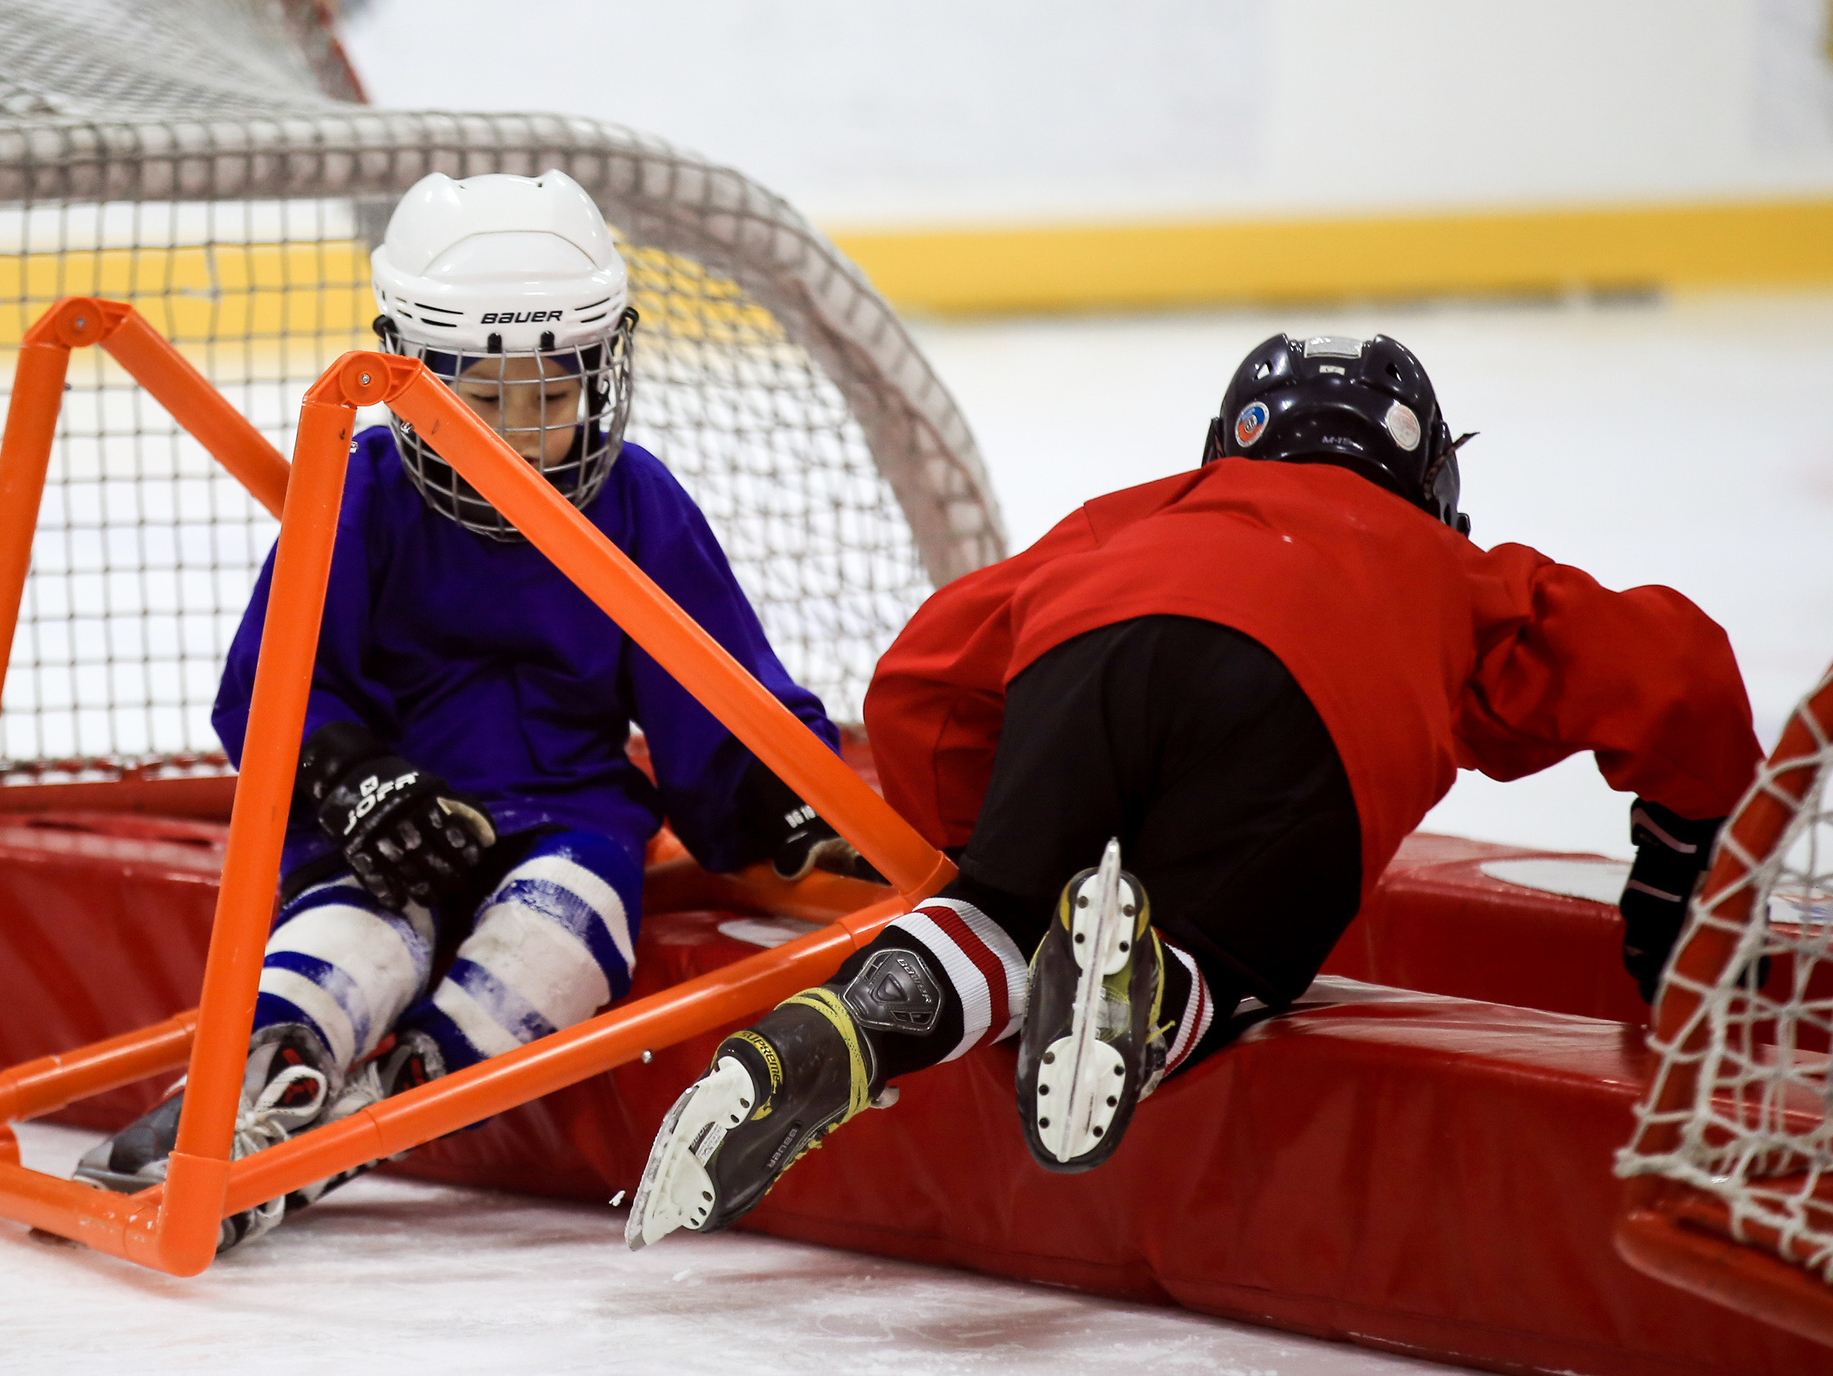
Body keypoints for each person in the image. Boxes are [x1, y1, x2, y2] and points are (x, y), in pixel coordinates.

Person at [626, 332, 1761, 1250]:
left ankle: (845, 1021)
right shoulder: (1451, 571)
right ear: (1427, 484)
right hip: (1307, 705)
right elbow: (1679, 670)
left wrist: (989, 846)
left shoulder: (1134, 517)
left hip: (1087, 658)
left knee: (999, 918)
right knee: (1233, 957)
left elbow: (920, 676)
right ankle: (1157, 988)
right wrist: (1681, 861)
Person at [76, 170, 852, 1251]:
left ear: (600, 369)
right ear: (412, 372)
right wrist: (355, 779)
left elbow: (715, 680)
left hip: (569, 815)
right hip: (399, 816)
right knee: (354, 937)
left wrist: (782, 792)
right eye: (482, 399)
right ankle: (266, 1072)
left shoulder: (637, 500)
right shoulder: (361, 492)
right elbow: (272, 683)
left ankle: (384, 1103)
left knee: (561, 941)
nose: (520, 434)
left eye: (550, 394)